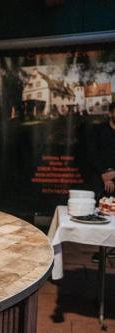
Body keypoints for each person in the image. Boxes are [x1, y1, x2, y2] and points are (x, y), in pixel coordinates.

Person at [89, 101, 115, 263]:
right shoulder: (98, 131)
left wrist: (113, 176)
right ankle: (101, 249)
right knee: (102, 214)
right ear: (110, 113)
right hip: (100, 177)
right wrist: (104, 174)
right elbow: (91, 155)